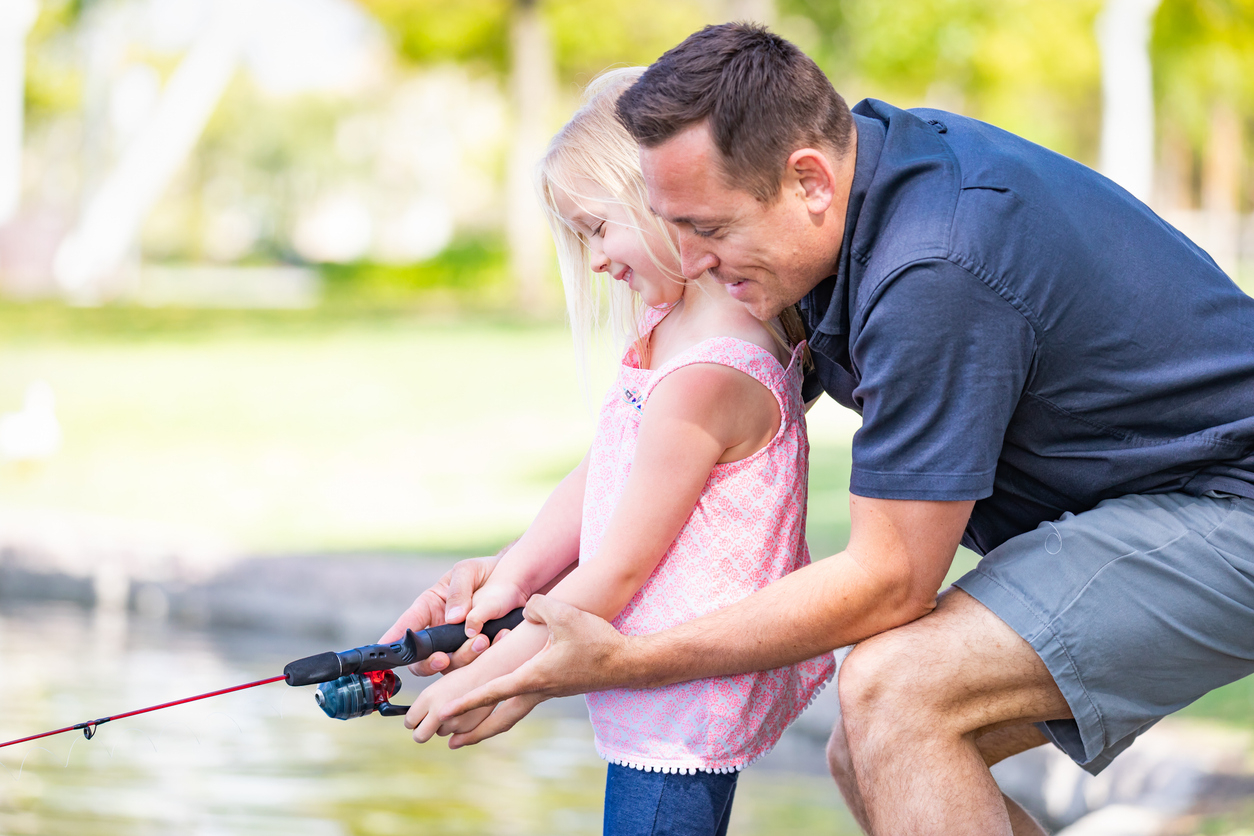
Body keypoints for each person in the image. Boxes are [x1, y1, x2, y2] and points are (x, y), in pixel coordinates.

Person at [388, 24, 1254, 836]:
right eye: (677, 229)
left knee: (898, 695)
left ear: (808, 179)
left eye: (708, 230)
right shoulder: (843, 198)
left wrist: (621, 660)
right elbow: (663, 437)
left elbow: (889, 582)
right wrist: (506, 579)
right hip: (1147, 501)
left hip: (1227, 502)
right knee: (871, 742)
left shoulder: (933, 268)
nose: (689, 266)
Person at [385, 66, 835, 836]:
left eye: (597, 227)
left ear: (657, 198)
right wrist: (511, 579)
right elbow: (608, 468)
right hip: (651, 684)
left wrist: (496, 674)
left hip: (680, 709)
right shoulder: (674, 334)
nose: (594, 259)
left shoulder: (708, 374)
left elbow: (620, 566)